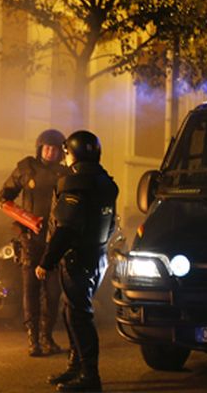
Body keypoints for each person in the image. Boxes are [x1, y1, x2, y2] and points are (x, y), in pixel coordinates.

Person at [36, 130, 118, 392]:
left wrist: (46, 262)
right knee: (71, 313)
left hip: (77, 260)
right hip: (96, 256)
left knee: (80, 317)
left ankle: (89, 377)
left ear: (73, 153)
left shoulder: (75, 184)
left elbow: (65, 229)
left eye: (67, 152)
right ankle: (76, 367)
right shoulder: (104, 182)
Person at [0, 128, 67, 357]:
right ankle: (33, 340)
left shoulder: (66, 174)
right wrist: (22, 220)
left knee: (53, 291)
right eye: (47, 147)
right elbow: (4, 197)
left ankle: (47, 337)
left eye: (56, 149)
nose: (51, 152)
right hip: (30, 240)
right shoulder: (27, 169)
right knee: (31, 290)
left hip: (56, 241)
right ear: (39, 148)